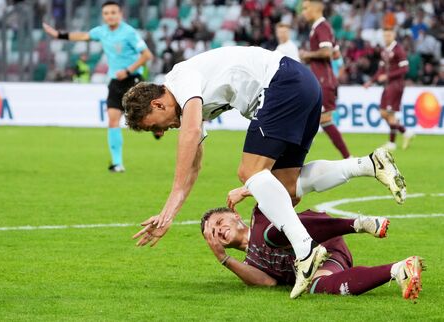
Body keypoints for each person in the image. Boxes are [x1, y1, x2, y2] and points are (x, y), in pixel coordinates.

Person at [122, 46, 406, 299]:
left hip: (281, 84)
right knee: (286, 189)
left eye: (153, 125)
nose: (160, 132)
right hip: (303, 83)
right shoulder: (189, 99)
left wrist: (171, 196)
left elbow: (191, 132)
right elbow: (194, 165)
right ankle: (369, 164)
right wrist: (168, 213)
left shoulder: (180, 80)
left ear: (157, 104)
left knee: (249, 172)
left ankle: (305, 250)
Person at [201, 206, 424, 300]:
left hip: (322, 236)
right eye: (212, 232)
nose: (218, 229)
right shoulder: (248, 264)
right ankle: (400, 269)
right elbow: (268, 283)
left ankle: (358, 223)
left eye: (219, 221)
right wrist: (224, 259)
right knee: (315, 287)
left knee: (271, 234)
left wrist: (251, 186)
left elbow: (285, 187)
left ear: (235, 214)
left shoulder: (259, 213)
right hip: (327, 259)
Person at [43, 1, 153, 173]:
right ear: (103, 16)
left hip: (133, 78)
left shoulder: (129, 33)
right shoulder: (101, 31)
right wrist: (58, 35)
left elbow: (147, 55)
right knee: (112, 119)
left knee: (144, 118)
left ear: (120, 14)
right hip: (115, 81)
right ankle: (117, 163)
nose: (110, 16)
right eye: (107, 13)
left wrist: (127, 70)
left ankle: (158, 128)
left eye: (113, 12)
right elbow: (82, 36)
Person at [300, 0, 351, 159]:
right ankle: (294, 156)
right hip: (321, 79)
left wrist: (308, 55)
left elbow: (327, 52)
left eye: (306, 8)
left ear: (315, 9)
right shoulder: (321, 28)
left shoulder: (321, 27)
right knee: (309, 117)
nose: (303, 12)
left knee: (325, 120)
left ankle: (348, 157)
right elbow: (335, 53)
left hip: (323, 81)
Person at [364, 28, 414, 151]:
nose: (387, 37)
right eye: (385, 35)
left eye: (389, 35)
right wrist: (371, 81)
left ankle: (394, 141)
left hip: (396, 85)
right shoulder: (385, 50)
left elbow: (405, 69)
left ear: (394, 35)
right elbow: (380, 70)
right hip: (388, 85)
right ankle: (404, 132)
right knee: (383, 112)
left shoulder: (399, 50)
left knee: (389, 113)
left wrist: (388, 76)